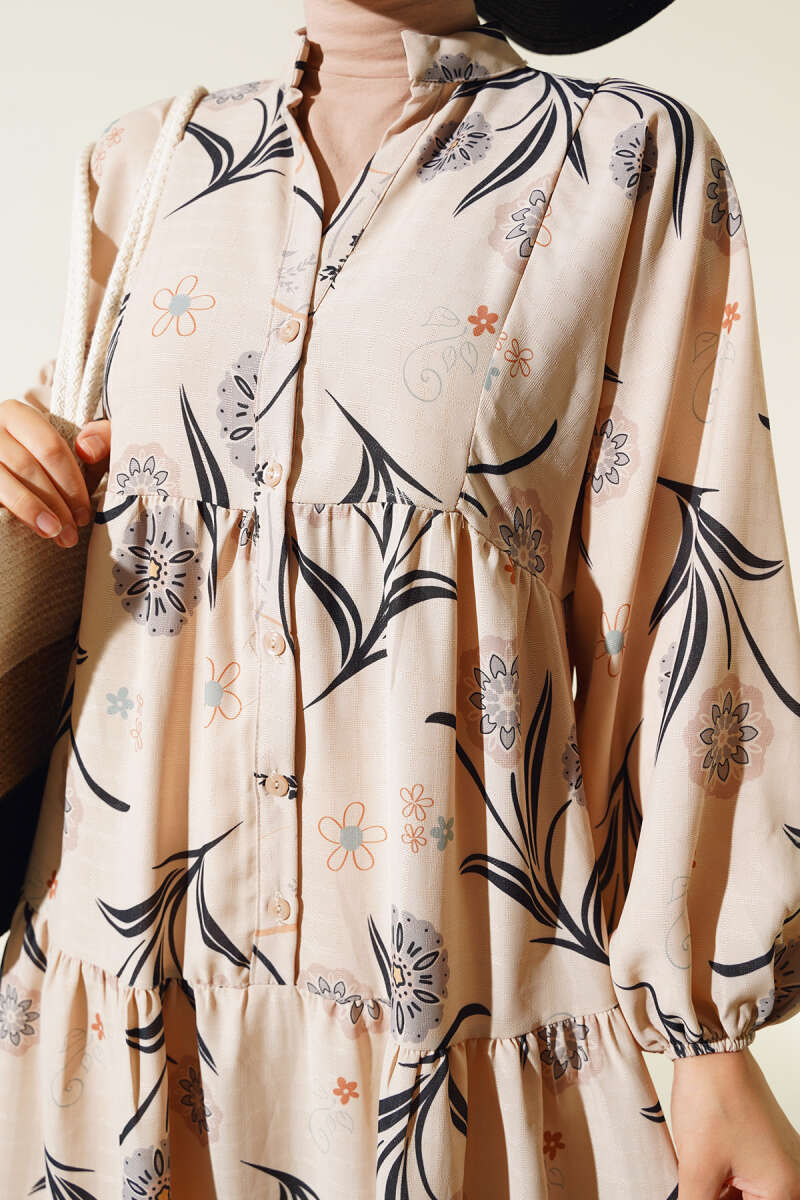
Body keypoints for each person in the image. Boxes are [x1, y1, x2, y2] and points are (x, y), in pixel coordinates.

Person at [1, 1, 799, 1196]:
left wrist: (708, 1046)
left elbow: (689, 599)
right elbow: (86, 576)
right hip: (118, 995)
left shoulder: (624, 158)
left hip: (452, 1023)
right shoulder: (145, 159)